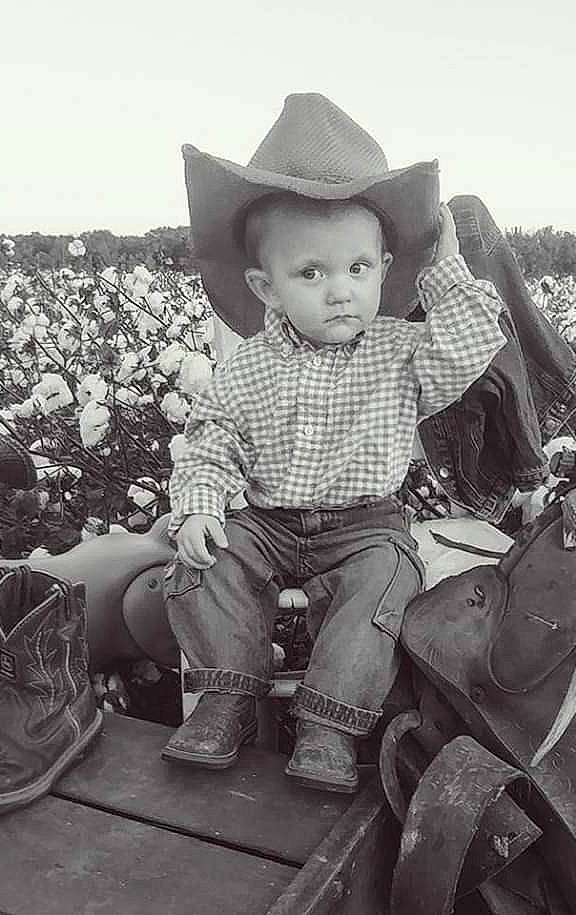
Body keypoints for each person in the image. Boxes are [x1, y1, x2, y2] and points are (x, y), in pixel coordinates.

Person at [162, 93, 507, 793]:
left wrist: (443, 262)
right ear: (266, 286)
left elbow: (473, 342)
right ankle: (228, 695)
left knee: (385, 585)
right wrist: (200, 505)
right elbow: (212, 438)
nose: (340, 291)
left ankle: (329, 723)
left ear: (385, 268)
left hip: (364, 524)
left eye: (357, 269)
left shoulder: (404, 351)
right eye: (310, 274)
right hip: (266, 519)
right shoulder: (252, 364)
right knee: (203, 564)